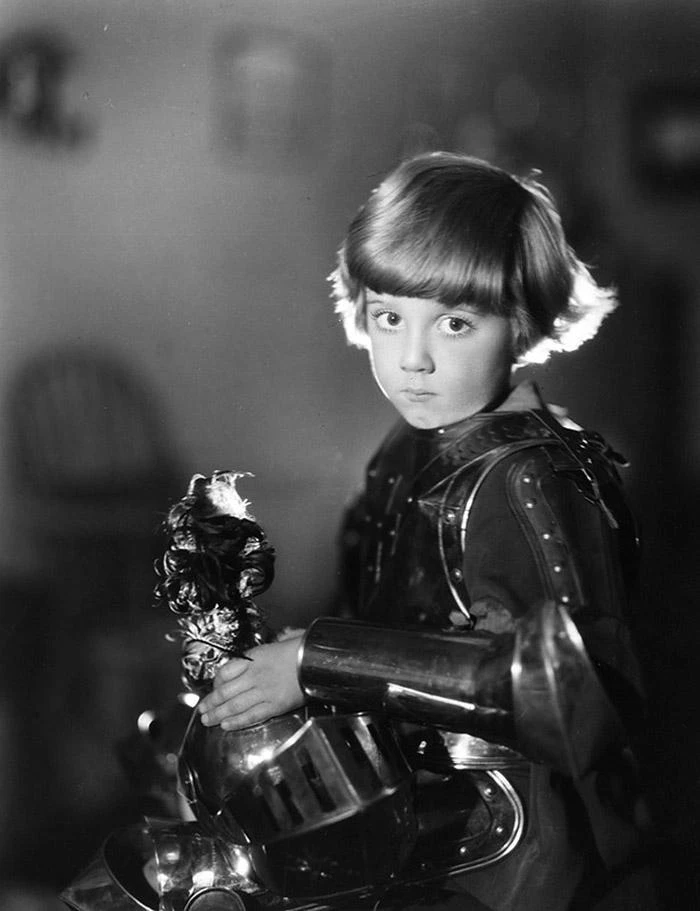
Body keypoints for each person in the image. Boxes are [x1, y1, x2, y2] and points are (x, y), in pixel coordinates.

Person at [196, 153, 650, 910]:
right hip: (409, 817)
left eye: (455, 323)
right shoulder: (406, 448)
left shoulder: (527, 476)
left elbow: (562, 693)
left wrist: (317, 660)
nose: (413, 359)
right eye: (389, 317)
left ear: (522, 323)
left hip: (520, 857)